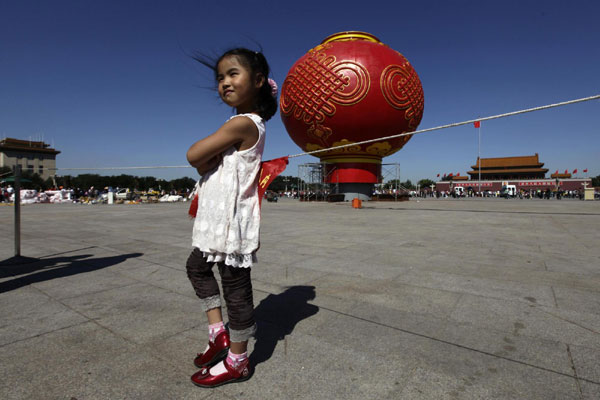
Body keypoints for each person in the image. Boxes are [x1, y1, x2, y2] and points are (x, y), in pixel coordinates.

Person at [185, 48, 277, 388]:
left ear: (256, 82)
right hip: (216, 220)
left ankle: (238, 359)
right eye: (220, 77)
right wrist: (203, 161)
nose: (224, 82)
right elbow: (202, 161)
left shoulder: (244, 123)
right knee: (196, 266)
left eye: (232, 74)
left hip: (232, 224)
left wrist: (202, 160)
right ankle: (217, 333)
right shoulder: (234, 124)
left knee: (236, 290)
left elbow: (194, 155)